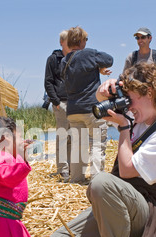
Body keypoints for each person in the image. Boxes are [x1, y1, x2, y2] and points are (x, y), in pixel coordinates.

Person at [40, 63, 156, 237]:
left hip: (147, 212)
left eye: (131, 98)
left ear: (150, 92)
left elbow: (127, 171)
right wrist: (103, 92)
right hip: (118, 204)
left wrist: (124, 128)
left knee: (101, 182)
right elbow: (99, 105)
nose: (128, 105)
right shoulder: (140, 114)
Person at [61, 26, 113, 184]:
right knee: (97, 143)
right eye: (86, 39)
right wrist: (100, 67)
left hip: (73, 109)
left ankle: (76, 179)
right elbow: (109, 59)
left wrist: (97, 68)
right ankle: (97, 180)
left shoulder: (65, 60)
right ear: (82, 40)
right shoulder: (89, 54)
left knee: (78, 146)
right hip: (92, 108)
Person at [44, 30, 71, 182]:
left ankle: (71, 168)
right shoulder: (53, 59)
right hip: (60, 102)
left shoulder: (75, 58)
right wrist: (55, 102)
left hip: (74, 103)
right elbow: (48, 81)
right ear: (62, 42)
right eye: (69, 41)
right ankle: (63, 170)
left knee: (72, 138)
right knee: (62, 137)